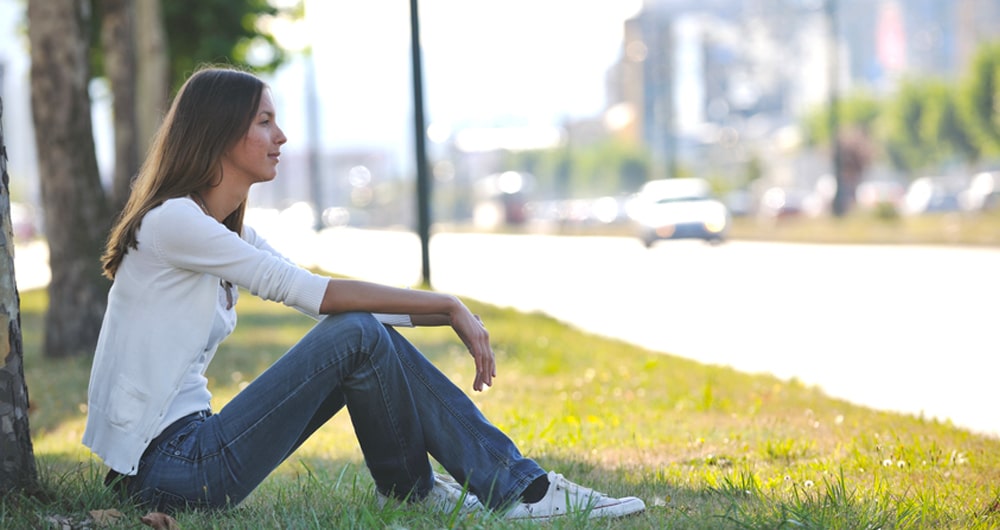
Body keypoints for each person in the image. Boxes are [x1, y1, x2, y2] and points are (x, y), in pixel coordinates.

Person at [83, 65, 646, 521]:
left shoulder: (223, 232)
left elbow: (340, 300)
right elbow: (312, 294)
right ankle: (518, 489)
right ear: (220, 131)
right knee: (352, 332)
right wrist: (445, 304)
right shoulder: (173, 223)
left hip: (187, 455)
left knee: (361, 335)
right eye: (264, 122)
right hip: (169, 468)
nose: (280, 137)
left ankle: (424, 492)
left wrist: (441, 313)